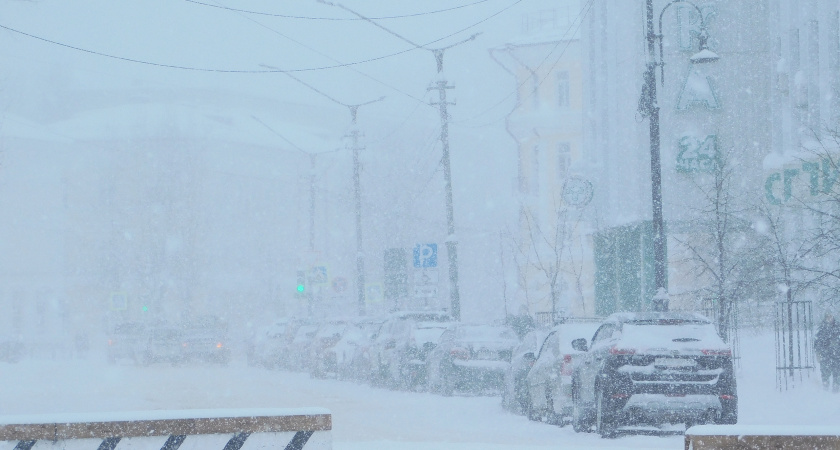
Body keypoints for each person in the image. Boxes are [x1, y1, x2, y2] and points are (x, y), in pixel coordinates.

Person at [815, 312, 840, 392]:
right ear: (825, 318)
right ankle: (825, 390)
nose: (829, 318)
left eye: (831, 316)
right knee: (825, 373)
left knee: (837, 373)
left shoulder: (838, 327)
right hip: (825, 355)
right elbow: (818, 342)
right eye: (828, 316)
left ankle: (836, 389)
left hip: (837, 355)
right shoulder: (822, 328)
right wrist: (818, 353)